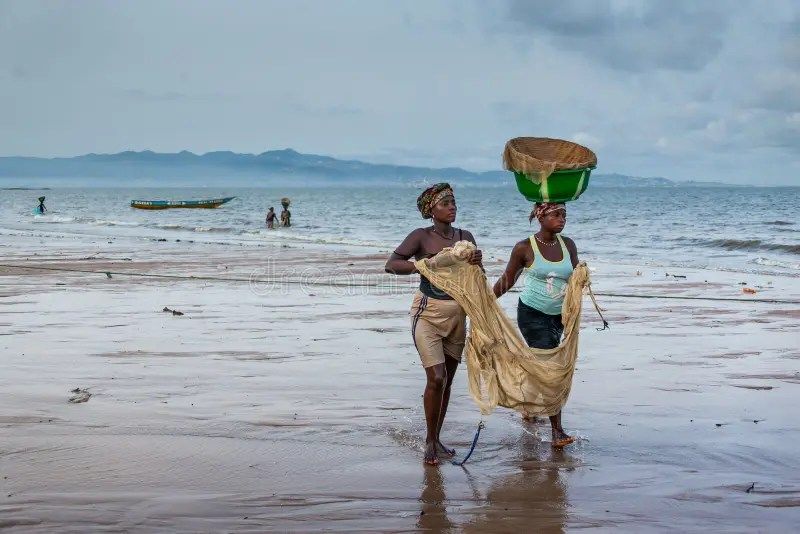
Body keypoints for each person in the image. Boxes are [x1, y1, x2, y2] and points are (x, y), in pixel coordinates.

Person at [385, 183, 483, 465]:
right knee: (436, 377)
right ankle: (429, 441)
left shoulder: (465, 236)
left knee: (448, 381)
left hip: (458, 316)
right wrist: (424, 264)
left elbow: (475, 276)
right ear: (431, 210)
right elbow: (392, 264)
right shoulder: (421, 237)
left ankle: (437, 438)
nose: (452, 207)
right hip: (427, 314)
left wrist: (477, 260)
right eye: (445, 203)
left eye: (453, 202)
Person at [492, 202, 578, 447]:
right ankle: (557, 431)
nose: (562, 219)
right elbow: (508, 279)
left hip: (558, 316)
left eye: (564, 215)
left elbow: (574, 279)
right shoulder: (524, 248)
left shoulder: (568, 245)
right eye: (556, 215)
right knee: (551, 369)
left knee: (542, 363)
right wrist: (484, 301)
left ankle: (528, 407)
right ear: (541, 217)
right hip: (532, 313)